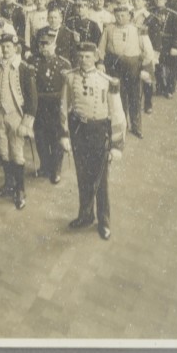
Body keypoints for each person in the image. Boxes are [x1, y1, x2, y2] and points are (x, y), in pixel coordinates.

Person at [59, 42, 125, 240]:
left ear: (96, 57)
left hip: (99, 132)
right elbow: (64, 107)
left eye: (88, 56)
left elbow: (118, 115)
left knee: (101, 180)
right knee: (83, 177)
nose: (83, 60)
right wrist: (64, 135)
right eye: (80, 56)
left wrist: (116, 145)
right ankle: (85, 215)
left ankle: (104, 222)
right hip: (79, 131)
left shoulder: (107, 81)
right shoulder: (70, 77)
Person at [0, 33, 38, 209]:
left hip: (16, 115)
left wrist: (26, 122)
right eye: (3, 46)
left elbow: (32, 99)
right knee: (3, 151)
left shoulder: (24, 68)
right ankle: (8, 184)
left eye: (9, 46)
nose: (5, 49)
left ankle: (20, 189)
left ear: (16, 48)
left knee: (16, 152)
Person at [30, 31, 72, 185]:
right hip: (39, 104)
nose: (43, 47)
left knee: (56, 138)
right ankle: (44, 166)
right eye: (41, 44)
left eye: (47, 44)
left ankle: (56, 169)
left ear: (54, 45)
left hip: (56, 105)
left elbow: (68, 89)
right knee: (40, 137)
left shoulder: (63, 64)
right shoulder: (32, 61)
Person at [97, 3, 144, 138]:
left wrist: (145, 67)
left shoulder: (137, 30)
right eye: (117, 15)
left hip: (132, 66)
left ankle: (136, 126)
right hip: (114, 66)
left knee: (134, 96)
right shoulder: (109, 29)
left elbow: (146, 49)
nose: (120, 18)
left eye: (123, 15)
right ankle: (121, 126)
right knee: (118, 97)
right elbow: (101, 47)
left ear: (129, 16)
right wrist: (100, 62)